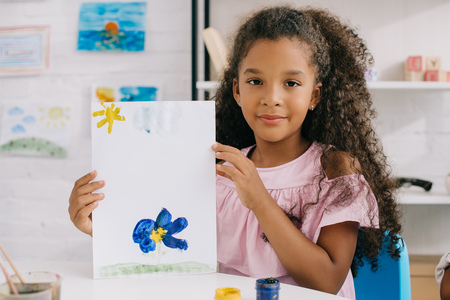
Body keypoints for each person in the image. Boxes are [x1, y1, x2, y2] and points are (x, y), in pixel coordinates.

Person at [68, 5, 401, 299]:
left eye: (291, 83)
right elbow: (177, 248)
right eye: (255, 81)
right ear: (237, 91)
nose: (272, 97)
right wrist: (102, 227)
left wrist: (259, 199)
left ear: (314, 96)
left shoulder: (334, 167)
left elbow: (326, 282)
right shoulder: (219, 170)